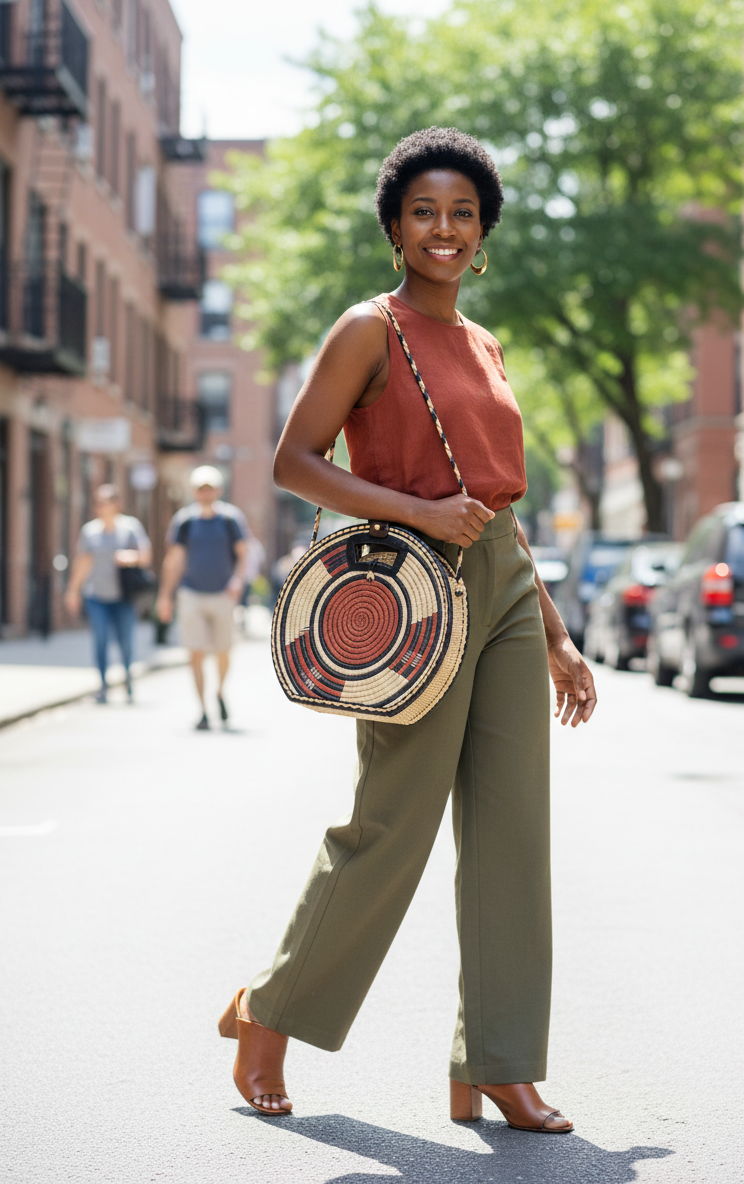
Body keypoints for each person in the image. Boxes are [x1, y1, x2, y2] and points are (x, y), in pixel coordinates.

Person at [218, 128, 597, 1133]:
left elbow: (502, 506)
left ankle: (499, 1061)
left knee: (515, 830)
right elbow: (295, 461)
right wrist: (417, 510)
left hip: (506, 584)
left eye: (463, 214)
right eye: (425, 211)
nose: (444, 229)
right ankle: (271, 1007)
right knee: (393, 821)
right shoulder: (367, 329)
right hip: (411, 592)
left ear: (484, 235)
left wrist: (555, 631)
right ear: (396, 227)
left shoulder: (485, 342)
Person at [157, 466, 249, 730]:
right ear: (194, 492)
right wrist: (165, 596)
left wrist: (238, 580)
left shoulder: (231, 520)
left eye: (209, 488)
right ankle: (202, 710)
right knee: (195, 653)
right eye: (200, 488)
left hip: (223, 594)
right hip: (191, 593)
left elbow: (244, 553)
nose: (205, 493)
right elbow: (173, 560)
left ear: (218, 490)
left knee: (223, 652)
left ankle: (219, 692)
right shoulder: (184, 522)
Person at [64, 484, 152, 704]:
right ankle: (103, 686)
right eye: (98, 502)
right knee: (100, 640)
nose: (101, 506)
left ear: (116, 504)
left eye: (106, 502)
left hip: (123, 596)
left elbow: (145, 556)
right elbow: (83, 562)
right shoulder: (90, 531)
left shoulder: (130, 527)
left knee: (126, 642)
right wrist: (73, 590)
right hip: (96, 595)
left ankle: (128, 681)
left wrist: (128, 557)